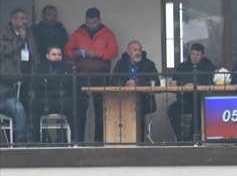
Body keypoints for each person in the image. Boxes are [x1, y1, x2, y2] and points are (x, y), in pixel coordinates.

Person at [64, 8, 118, 142]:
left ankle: (99, 142)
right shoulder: (78, 33)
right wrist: (75, 54)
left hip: (101, 77)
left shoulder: (107, 33)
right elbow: (67, 51)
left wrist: (97, 53)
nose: (90, 25)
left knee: (100, 111)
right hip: (81, 77)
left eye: (93, 23)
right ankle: (79, 142)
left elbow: (113, 51)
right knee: (80, 111)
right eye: (88, 22)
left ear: (99, 20)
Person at [110, 41, 159, 138]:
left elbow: (156, 83)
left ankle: (140, 142)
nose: (138, 52)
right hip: (123, 100)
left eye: (139, 50)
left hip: (144, 100)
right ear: (128, 52)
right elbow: (113, 82)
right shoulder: (120, 64)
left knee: (138, 113)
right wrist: (126, 84)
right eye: (134, 50)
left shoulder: (149, 64)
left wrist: (137, 84)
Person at [168, 42, 214, 142]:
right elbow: (175, 82)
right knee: (171, 110)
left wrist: (194, 84)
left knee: (199, 111)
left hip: (200, 101)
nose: (195, 57)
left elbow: (209, 82)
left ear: (203, 55)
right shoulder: (182, 66)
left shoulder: (208, 66)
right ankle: (181, 138)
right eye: (193, 54)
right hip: (184, 100)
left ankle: (191, 139)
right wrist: (173, 83)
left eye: (197, 54)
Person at [1, 8, 34, 142]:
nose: (25, 21)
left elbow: (34, 52)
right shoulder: (4, 33)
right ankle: (14, 139)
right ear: (13, 19)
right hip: (11, 77)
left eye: (26, 18)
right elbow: (5, 52)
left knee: (27, 107)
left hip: (27, 75)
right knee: (17, 106)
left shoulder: (29, 32)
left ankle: (24, 138)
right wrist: (20, 38)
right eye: (21, 19)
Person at [29, 44, 74, 143]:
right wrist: (59, 81)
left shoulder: (68, 67)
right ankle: (35, 142)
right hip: (44, 100)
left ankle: (75, 141)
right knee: (34, 105)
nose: (57, 57)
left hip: (62, 100)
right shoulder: (40, 68)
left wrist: (48, 81)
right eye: (54, 54)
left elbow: (69, 82)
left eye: (59, 55)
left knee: (72, 106)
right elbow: (37, 83)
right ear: (47, 56)